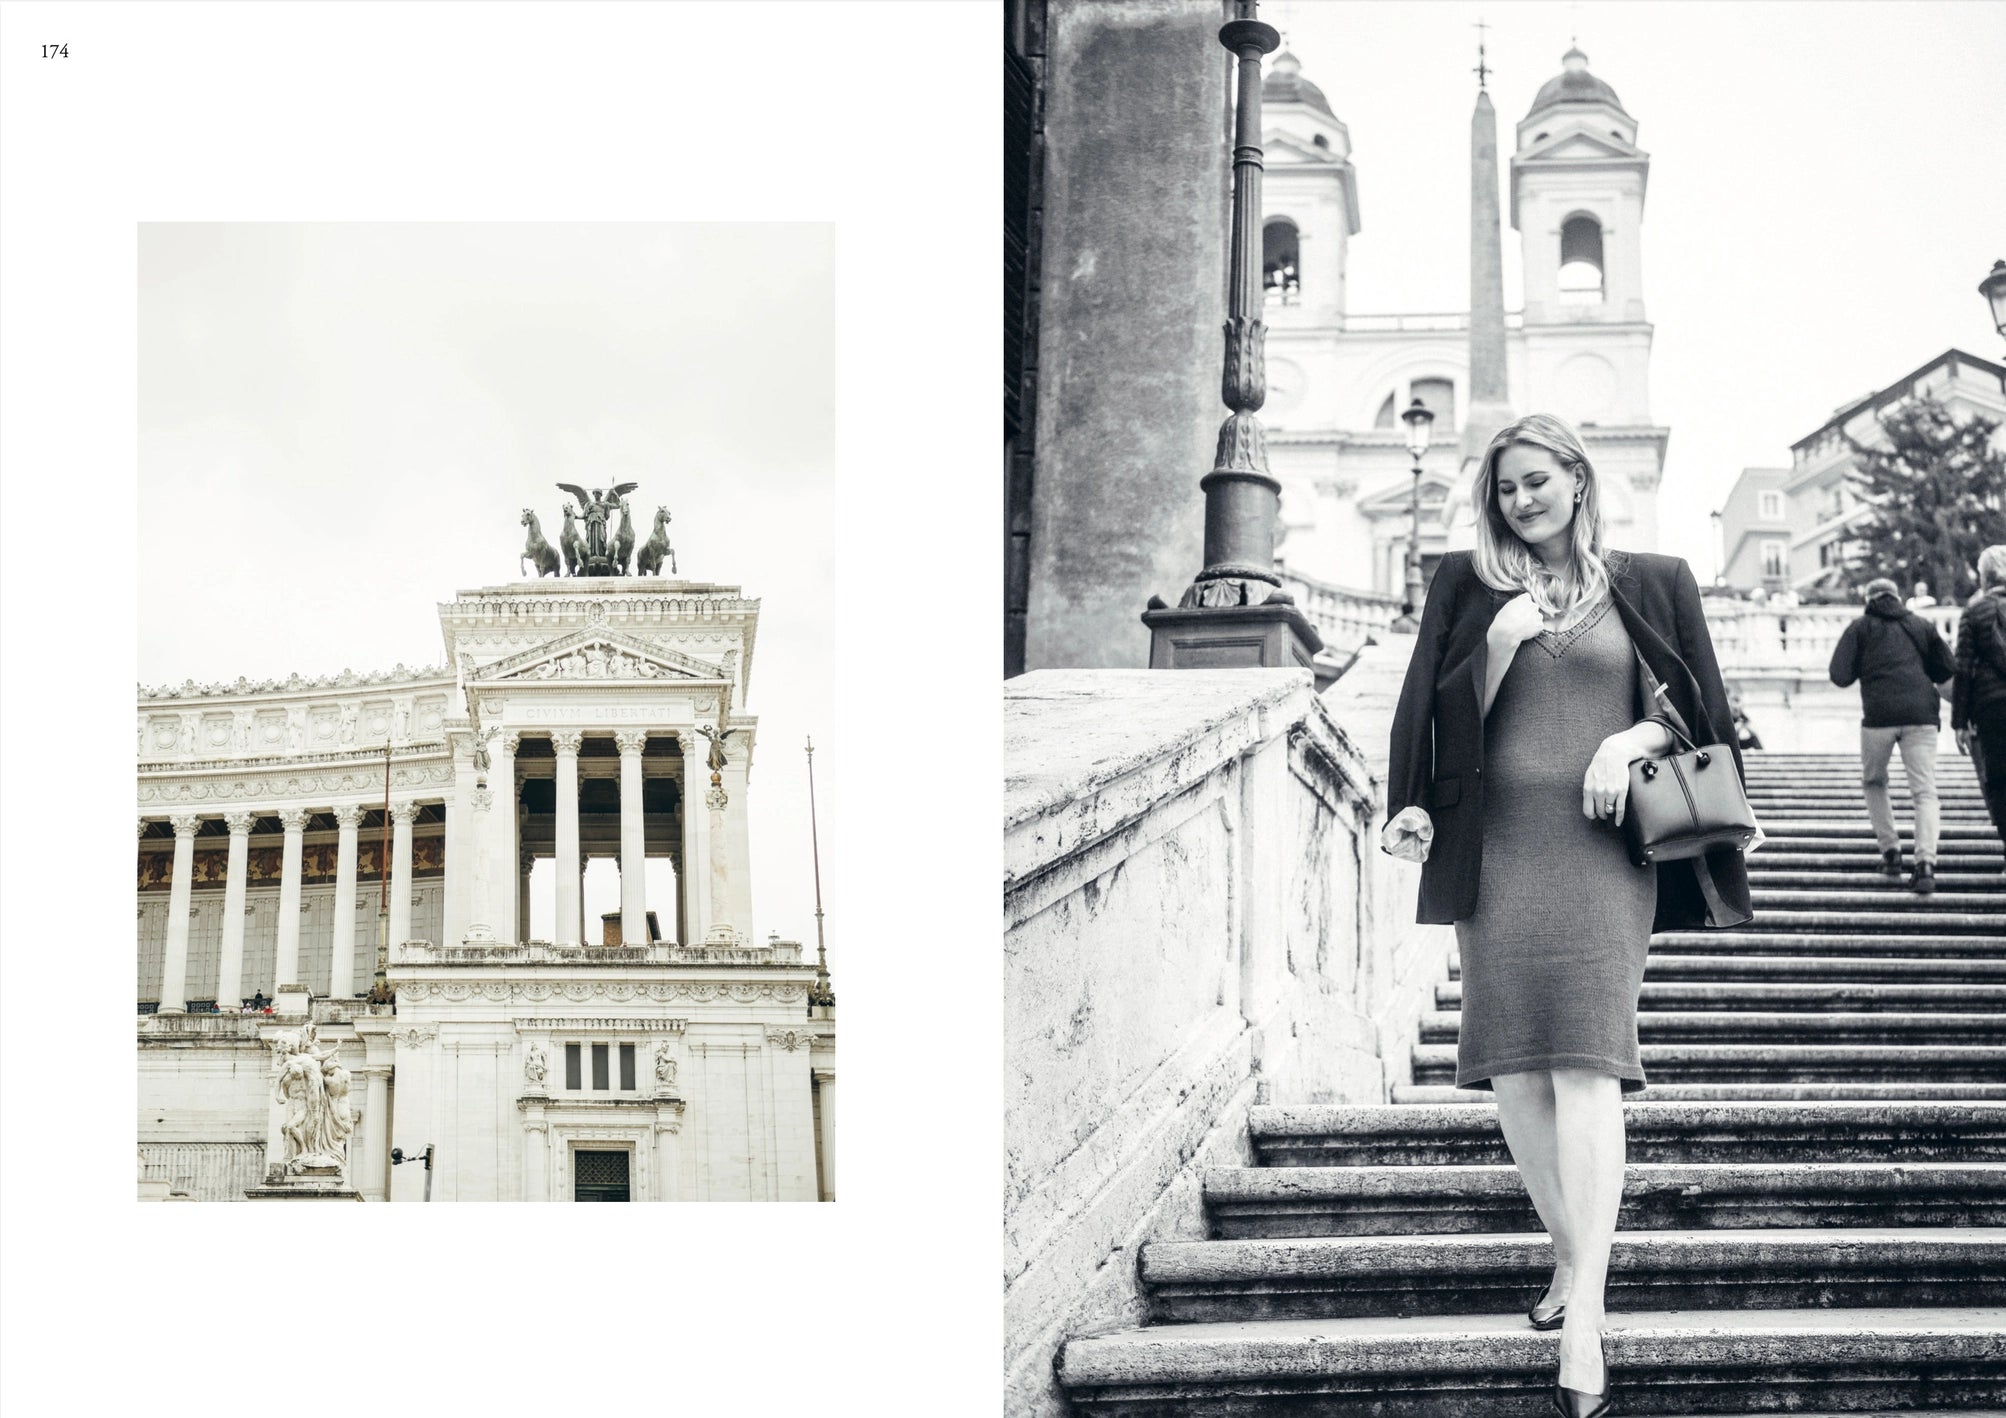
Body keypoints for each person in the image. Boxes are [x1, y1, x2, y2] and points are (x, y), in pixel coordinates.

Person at [1383, 413, 1750, 1418]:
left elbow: (1700, 713)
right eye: (1504, 487)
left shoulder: (1651, 576)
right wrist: (1495, 652)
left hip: (1598, 851)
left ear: (1578, 480)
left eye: (1537, 480)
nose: (1520, 500)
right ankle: (1566, 1253)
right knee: (1510, 1062)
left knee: (1586, 1058)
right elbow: (1425, 708)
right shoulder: (1466, 584)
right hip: (1494, 841)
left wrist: (1622, 738)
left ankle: (1581, 1309)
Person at [1827, 577, 1955, 894]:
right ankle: (1925, 864)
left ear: (1869, 599)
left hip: (1879, 718)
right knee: (1924, 791)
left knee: (1874, 781)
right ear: (1898, 597)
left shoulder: (1860, 628)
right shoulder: (1921, 625)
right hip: (1921, 717)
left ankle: (1891, 852)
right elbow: (1946, 669)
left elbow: (1839, 675)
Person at [1952, 544, 2006, 865]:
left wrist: (1959, 721)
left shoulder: (1974, 611)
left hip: (1992, 708)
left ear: (1984, 577)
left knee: (1998, 779)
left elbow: (1963, 668)